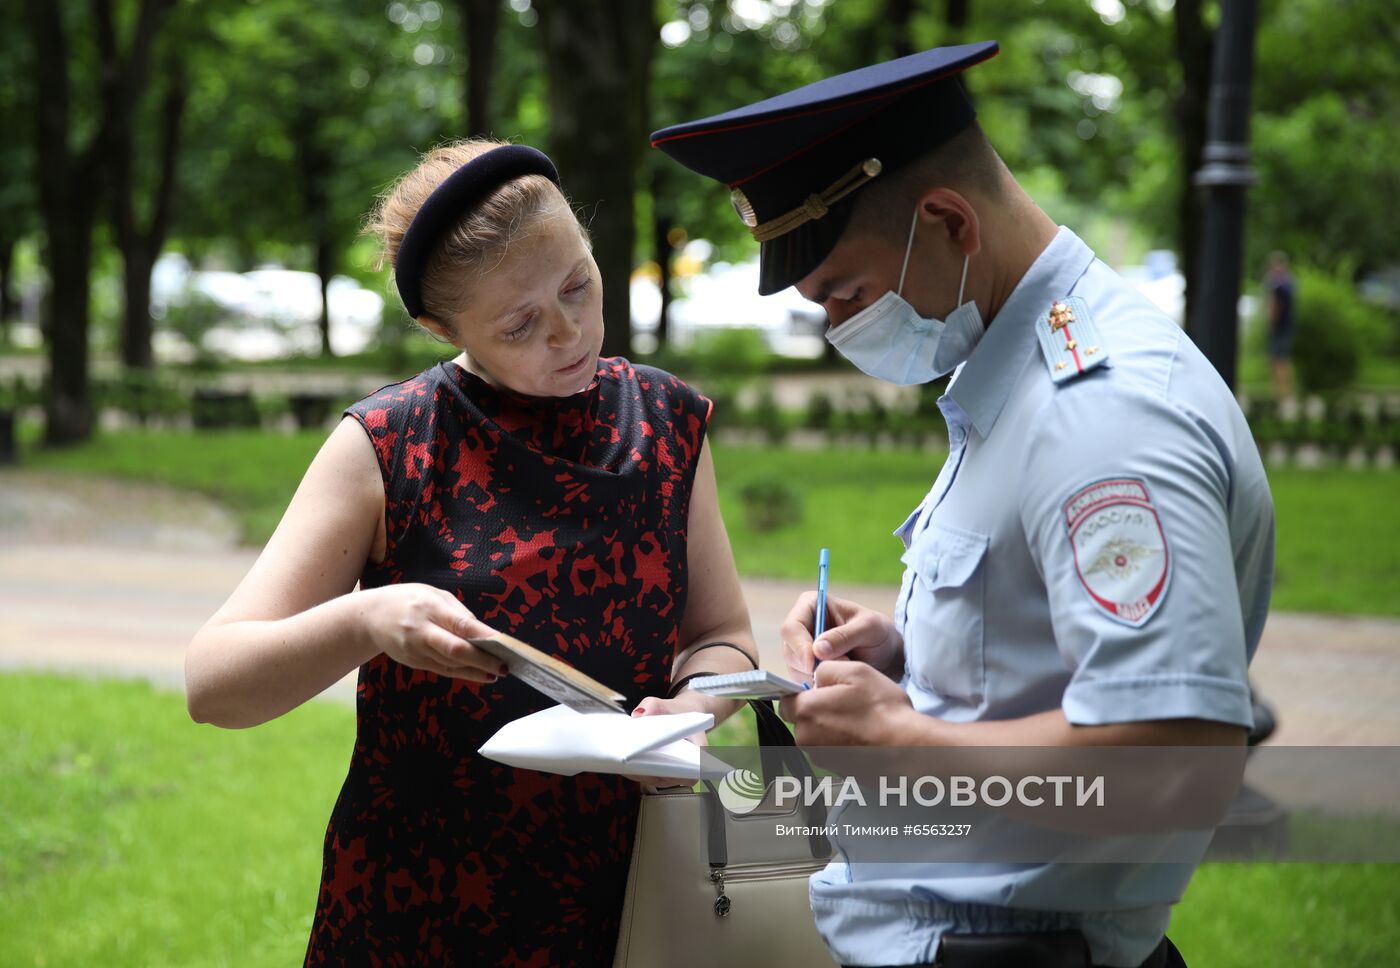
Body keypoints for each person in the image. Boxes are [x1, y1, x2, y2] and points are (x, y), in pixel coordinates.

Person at [652, 42, 1273, 968]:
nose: (837, 329)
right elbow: (1054, 665)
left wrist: (901, 739)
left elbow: (1172, 759)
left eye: (846, 293)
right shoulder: (1021, 375)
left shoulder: (1102, 415)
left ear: (948, 221)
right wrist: (910, 661)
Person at [184, 139, 760, 966]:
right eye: (520, 323)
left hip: (631, 890)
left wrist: (695, 705)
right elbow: (214, 685)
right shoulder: (387, 442)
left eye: (579, 284)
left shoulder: (669, 422)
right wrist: (367, 619)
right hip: (423, 904)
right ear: (439, 327)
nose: (568, 333)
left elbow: (722, 635)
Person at [1264, 251, 1297, 400]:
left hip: (1279, 326)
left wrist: (1271, 321)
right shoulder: (1290, 282)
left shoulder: (1278, 286)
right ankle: (1285, 390)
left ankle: (1281, 392)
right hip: (1287, 325)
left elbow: (1275, 306)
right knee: (1283, 358)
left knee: (1278, 359)